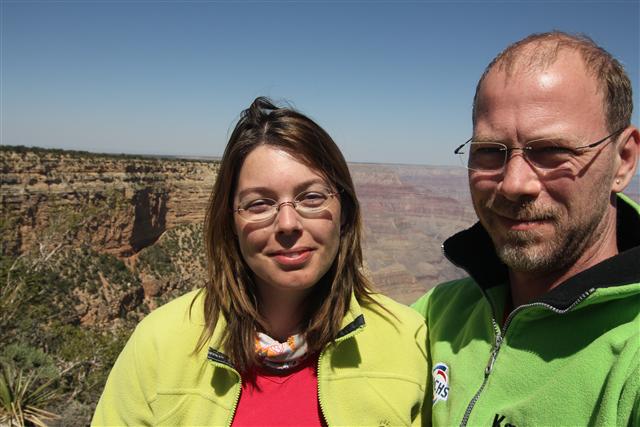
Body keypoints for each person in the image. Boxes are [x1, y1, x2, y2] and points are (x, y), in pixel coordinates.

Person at [93, 97, 428, 426]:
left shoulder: (405, 340)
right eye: (259, 204)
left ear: (345, 213)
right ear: (230, 223)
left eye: (312, 197)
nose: (288, 224)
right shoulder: (159, 345)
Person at [413, 31, 639, 427]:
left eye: (552, 151)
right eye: (489, 151)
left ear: (623, 160)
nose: (514, 184)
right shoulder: (440, 313)